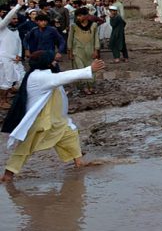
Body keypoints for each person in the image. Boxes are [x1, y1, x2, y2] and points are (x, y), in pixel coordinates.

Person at [0, 51, 105, 182]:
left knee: (70, 135)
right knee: (25, 148)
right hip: (40, 121)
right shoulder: (40, 77)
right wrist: (89, 70)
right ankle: (7, 176)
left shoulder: (41, 74)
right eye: (53, 60)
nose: (55, 62)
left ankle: (79, 162)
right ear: (46, 63)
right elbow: (65, 76)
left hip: (55, 119)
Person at [67, 8, 100, 95]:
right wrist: (70, 52)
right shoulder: (74, 26)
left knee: (91, 68)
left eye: (80, 15)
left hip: (90, 50)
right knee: (80, 68)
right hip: (77, 51)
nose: (78, 18)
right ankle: (84, 86)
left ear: (86, 16)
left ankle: (91, 85)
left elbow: (96, 38)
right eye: (77, 16)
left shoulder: (94, 25)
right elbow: (70, 39)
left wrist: (96, 50)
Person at [0, 0, 25, 107]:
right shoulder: (2, 28)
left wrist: (19, 55)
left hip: (16, 59)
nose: (15, 20)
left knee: (21, 79)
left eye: (16, 19)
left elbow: (19, 43)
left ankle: (9, 93)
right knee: (6, 81)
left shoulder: (15, 30)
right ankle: (2, 101)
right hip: (5, 59)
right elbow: (6, 18)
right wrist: (18, 6)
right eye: (13, 18)